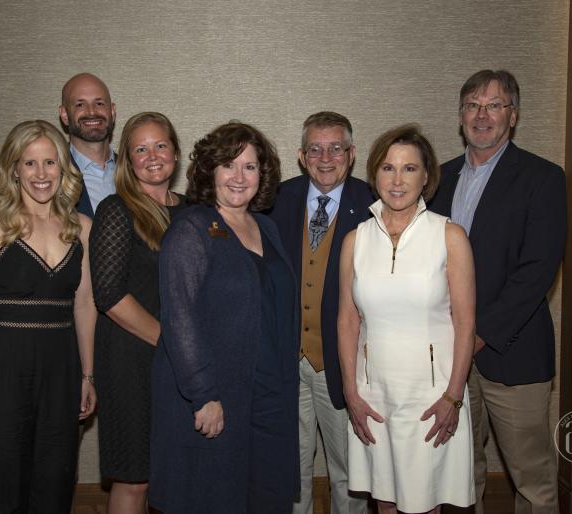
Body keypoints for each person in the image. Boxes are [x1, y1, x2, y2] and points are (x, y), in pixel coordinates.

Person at [429, 70, 566, 514]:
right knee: (460, 474)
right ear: (460, 115)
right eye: (472, 105)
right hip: (449, 359)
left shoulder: (543, 178)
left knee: (532, 479)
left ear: (513, 116)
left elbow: (537, 271)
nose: (481, 114)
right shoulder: (438, 180)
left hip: (514, 352)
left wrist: (478, 335)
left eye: (494, 105)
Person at [150, 122, 299, 514]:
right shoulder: (192, 230)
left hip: (267, 392)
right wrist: (203, 395)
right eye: (228, 165)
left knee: (266, 497)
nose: (238, 177)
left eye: (249, 167)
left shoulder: (265, 226)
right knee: (215, 498)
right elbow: (179, 317)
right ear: (209, 170)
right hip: (217, 397)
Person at [0, 120, 97, 514]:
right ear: (13, 168)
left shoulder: (82, 229)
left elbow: (85, 305)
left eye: (50, 162)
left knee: (55, 480)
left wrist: (87, 375)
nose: (41, 174)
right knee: (0, 484)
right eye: (29, 163)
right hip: (0, 369)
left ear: (63, 168)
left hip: (61, 371)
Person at [337, 124, 476, 513]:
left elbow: (466, 323)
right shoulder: (356, 240)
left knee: (425, 503)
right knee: (384, 500)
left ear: (427, 176)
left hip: (431, 396)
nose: (397, 180)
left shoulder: (449, 236)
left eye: (409, 169)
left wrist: (452, 395)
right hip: (373, 394)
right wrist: (351, 391)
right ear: (373, 175)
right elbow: (348, 320)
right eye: (387, 168)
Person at [268, 111, 373, 514]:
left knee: (349, 472)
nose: (324, 157)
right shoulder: (277, 200)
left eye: (335, 148)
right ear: (301, 155)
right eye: (315, 148)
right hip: (288, 363)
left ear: (351, 153)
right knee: (290, 471)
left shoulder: (373, 204)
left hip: (343, 365)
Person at [89, 112, 185, 514]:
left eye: (160, 145)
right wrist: (171, 343)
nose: (152, 156)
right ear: (128, 160)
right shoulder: (117, 210)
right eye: (140, 149)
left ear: (176, 154)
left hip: (182, 361)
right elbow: (109, 295)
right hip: (132, 358)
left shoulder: (195, 212)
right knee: (135, 478)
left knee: (176, 472)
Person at [59, 72, 117, 216]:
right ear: (65, 115)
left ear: (112, 111)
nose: (91, 112)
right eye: (80, 104)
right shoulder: (49, 174)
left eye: (99, 103)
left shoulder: (135, 171)